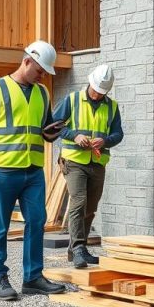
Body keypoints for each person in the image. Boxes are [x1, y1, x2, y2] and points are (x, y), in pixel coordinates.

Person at [0, 40, 67, 301]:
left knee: (37, 221)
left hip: (33, 171)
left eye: (45, 73)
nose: (42, 76)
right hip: (4, 170)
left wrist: (52, 133)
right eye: (40, 71)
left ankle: (33, 278)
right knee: (0, 226)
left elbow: (44, 130)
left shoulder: (42, 93)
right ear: (26, 61)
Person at [53, 64, 123, 268]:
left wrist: (106, 141)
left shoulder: (112, 106)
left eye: (102, 93)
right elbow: (55, 125)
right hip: (74, 160)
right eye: (95, 91)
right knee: (79, 202)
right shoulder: (73, 99)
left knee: (91, 207)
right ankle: (78, 250)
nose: (97, 95)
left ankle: (77, 248)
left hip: (97, 162)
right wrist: (75, 135)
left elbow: (118, 134)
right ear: (89, 83)